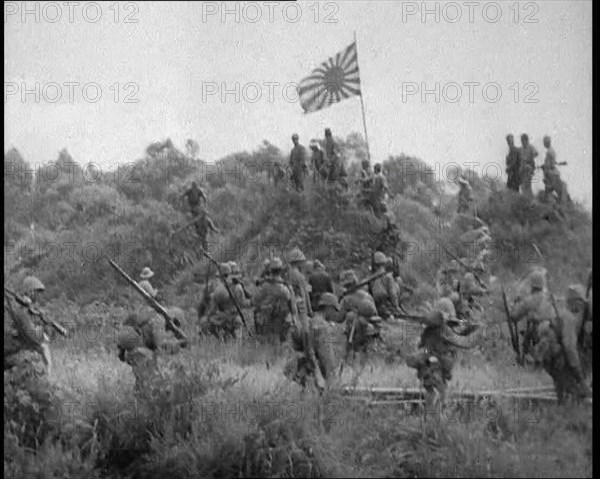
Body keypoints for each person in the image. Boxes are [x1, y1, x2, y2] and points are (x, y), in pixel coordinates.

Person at [406, 298, 479, 411]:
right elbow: (464, 343)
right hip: (438, 370)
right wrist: (477, 333)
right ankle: (439, 421)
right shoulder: (445, 330)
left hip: (426, 369)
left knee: (430, 394)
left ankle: (430, 418)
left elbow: (421, 346)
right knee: (443, 395)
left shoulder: (428, 330)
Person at [284, 292, 343, 391]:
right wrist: (331, 377)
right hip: (311, 372)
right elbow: (326, 355)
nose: (335, 313)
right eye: (334, 309)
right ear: (328, 308)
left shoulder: (311, 322)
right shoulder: (323, 326)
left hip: (300, 370)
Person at [4, 276, 52, 374]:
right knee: (35, 359)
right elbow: (34, 336)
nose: (39, 296)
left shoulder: (18, 307)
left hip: (10, 350)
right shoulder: (20, 309)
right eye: (37, 292)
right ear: (31, 292)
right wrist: (43, 331)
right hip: (10, 353)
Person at [338, 269, 380, 365]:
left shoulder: (346, 299)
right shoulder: (368, 295)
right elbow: (376, 314)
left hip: (354, 330)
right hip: (371, 328)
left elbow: (339, 318)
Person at [252, 257, 296, 343]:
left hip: (268, 322)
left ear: (271, 270)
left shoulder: (265, 286)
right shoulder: (287, 286)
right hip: (283, 321)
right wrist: (294, 319)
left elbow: (255, 301)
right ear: (280, 270)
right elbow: (293, 307)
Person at [202, 263, 248, 340]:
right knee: (237, 345)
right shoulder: (238, 286)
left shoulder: (218, 290)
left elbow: (213, 310)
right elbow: (242, 303)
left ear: (220, 275)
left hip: (224, 321)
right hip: (237, 319)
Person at [370, 251, 400, 319]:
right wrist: (396, 306)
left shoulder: (371, 277)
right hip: (385, 306)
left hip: (374, 307)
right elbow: (393, 293)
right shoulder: (388, 276)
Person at [518, 134, 538, 199]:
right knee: (523, 186)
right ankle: (527, 199)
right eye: (521, 141)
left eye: (524, 141)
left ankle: (531, 199)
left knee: (526, 185)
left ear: (526, 140)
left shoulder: (530, 147)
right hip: (523, 169)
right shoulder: (521, 149)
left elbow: (535, 153)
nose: (522, 142)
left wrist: (531, 157)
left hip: (529, 167)